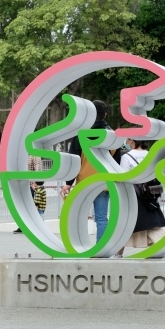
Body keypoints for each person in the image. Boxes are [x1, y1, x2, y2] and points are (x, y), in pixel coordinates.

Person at [60, 100, 118, 243]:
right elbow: (117, 162)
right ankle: (101, 249)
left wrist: (68, 183)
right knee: (101, 218)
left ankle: (78, 245)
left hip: (83, 183)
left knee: (78, 216)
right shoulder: (112, 135)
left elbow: (74, 160)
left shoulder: (81, 134)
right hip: (104, 183)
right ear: (105, 114)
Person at [116, 139, 165, 257]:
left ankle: (118, 253)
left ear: (133, 140)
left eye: (128, 139)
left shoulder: (127, 157)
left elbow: (123, 177)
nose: (126, 141)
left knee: (125, 224)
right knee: (153, 222)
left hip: (134, 194)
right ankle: (156, 246)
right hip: (150, 194)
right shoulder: (150, 154)